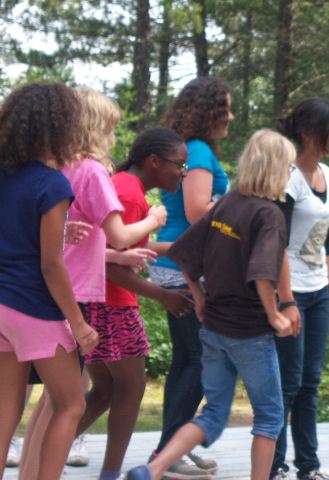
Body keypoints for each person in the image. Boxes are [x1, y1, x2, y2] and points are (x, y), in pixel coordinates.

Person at [126, 129, 300, 480]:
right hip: (249, 331)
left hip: (214, 328)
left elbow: (184, 253)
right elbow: (262, 272)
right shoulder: (270, 214)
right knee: (269, 416)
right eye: (289, 167)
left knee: (213, 413)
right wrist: (276, 315)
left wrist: (201, 299)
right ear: (277, 168)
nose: (290, 173)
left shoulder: (227, 203)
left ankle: (153, 468)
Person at [19, 88, 168, 480]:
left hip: (48, 290)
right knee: (66, 403)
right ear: (97, 128)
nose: (115, 138)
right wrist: (153, 220)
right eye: (112, 128)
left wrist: (116, 258)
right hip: (78, 296)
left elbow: (78, 241)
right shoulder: (92, 171)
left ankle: (29, 473)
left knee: (47, 403)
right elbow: (119, 233)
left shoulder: (59, 168)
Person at [68, 127, 194, 480]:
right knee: (131, 387)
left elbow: (123, 249)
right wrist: (163, 295)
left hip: (96, 302)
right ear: (154, 161)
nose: (183, 173)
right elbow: (109, 264)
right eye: (179, 165)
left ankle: (44, 454)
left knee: (105, 390)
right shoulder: (129, 193)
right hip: (112, 303)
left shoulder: (124, 185)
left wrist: (178, 249)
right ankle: (108, 473)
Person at [0, 82, 99, 480]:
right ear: (60, 127)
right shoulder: (52, 184)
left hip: (1, 305)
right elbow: (51, 265)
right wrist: (79, 323)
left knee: (6, 408)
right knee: (71, 404)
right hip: (34, 309)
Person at [148, 76, 234, 477]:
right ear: (209, 111)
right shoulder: (197, 151)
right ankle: (167, 455)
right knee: (198, 362)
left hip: (176, 266)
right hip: (184, 269)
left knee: (187, 360)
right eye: (226, 108)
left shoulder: (190, 149)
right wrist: (242, 205)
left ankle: (170, 448)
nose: (231, 116)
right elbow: (198, 209)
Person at [271, 97, 329, 480]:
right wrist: (286, 300)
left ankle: (309, 467)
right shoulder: (287, 178)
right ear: (309, 134)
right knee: (287, 384)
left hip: (319, 291)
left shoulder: (328, 175)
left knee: (310, 383)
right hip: (290, 293)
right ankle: (274, 465)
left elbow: (327, 240)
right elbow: (276, 244)